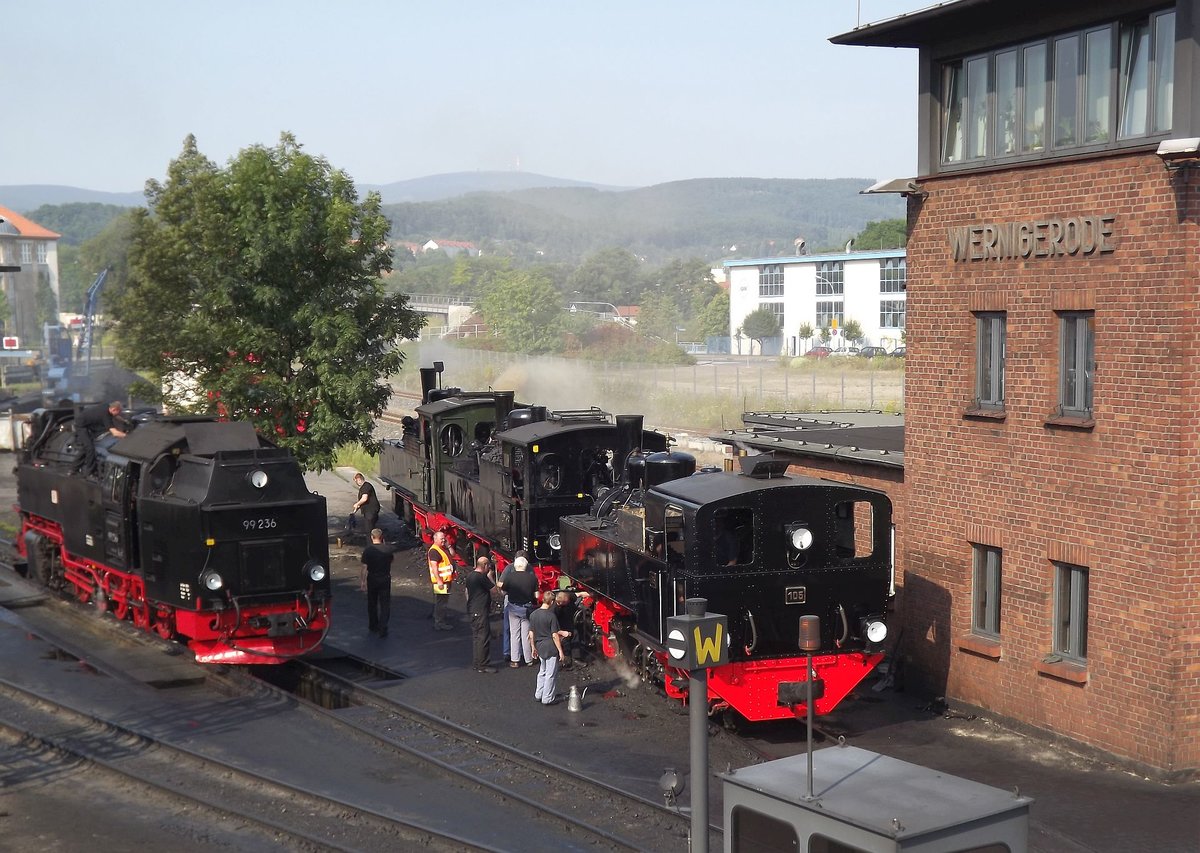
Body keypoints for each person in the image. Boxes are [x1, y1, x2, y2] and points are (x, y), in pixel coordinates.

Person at [529, 590, 571, 705]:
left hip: (539, 646)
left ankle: (539, 694)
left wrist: (533, 647)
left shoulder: (533, 614)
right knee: (550, 674)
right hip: (550, 647)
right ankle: (547, 698)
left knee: (542, 671)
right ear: (552, 602)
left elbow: (531, 633)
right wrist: (561, 651)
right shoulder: (551, 616)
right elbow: (554, 635)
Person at [497, 553, 537, 668]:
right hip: (526, 608)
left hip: (513, 607)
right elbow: (537, 594)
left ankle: (515, 660)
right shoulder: (532, 577)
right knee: (526, 634)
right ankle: (528, 659)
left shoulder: (510, 576)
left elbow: (504, 591)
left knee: (514, 633)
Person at [359, 528, 396, 637]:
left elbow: (364, 567)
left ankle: (373, 625)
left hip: (372, 578)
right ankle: (383, 627)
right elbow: (392, 560)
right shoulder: (388, 549)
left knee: (372, 603)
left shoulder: (368, 550)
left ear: (371, 537)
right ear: (382, 537)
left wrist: (363, 582)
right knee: (385, 603)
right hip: (385, 578)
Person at [464, 555, 497, 673]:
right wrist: (490, 577)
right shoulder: (481, 577)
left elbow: (467, 592)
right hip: (480, 610)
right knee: (484, 637)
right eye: (489, 566)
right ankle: (483, 665)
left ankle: (477, 663)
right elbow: (494, 590)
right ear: (485, 566)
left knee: (477, 637)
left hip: (473, 609)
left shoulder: (470, 576)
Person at [74, 400, 127, 474]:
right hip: (81, 426)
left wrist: (125, 421)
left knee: (84, 448)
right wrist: (127, 436)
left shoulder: (107, 405)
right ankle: (89, 472)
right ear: (114, 409)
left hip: (90, 424)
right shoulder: (105, 416)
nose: (119, 414)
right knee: (90, 448)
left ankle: (74, 469)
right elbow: (115, 433)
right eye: (119, 412)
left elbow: (115, 416)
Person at [427, 529, 456, 630]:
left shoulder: (442, 548)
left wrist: (448, 545)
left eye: (444, 539)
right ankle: (440, 623)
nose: (443, 541)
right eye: (441, 539)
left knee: (442, 601)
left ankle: (440, 618)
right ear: (435, 539)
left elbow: (453, 554)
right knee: (441, 602)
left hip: (446, 580)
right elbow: (434, 567)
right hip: (441, 581)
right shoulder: (434, 551)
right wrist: (439, 581)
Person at [554, 589, 584, 668]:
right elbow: (552, 624)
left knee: (575, 634)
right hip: (560, 627)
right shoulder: (554, 609)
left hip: (570, 624)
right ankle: (566, 660)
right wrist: (560, 632)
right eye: (566, 602)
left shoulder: (569, 597)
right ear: (561, 603)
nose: (568, 602)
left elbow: (580, 594)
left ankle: (576, 658)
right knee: (565, 641)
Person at [351, 473, 380, 537]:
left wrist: (357, 504)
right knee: (370, 529)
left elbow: (364, 498)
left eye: (355, 481)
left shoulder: (366, 486)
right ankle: (374, 542)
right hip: (368, 511)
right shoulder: (363, 487)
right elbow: (362, 501)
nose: (356, 482)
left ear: (359, 479)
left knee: (369, 530)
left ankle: (371, 544)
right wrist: (356, 509)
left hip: (371, 511)